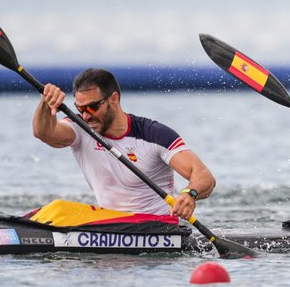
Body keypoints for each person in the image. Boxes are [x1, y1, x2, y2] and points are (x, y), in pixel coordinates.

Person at [32, 68, 215, 219]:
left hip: (158, 226)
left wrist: (189, 194)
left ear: (114, 99)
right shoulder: (80, 128)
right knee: (57, 209)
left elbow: (204, 176)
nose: (86, 115)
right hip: (110, 223)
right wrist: (46, 103)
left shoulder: (154, 134)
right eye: (80, 109)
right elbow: (44, 133)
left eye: (92, 107)